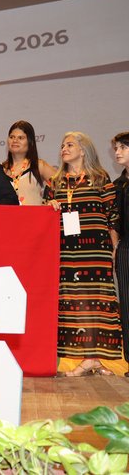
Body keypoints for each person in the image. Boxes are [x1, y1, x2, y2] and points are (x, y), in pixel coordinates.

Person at [46, 132, 121, 376]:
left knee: (97, 303)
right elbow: (44, 215)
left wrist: (113, 249)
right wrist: (49, 206)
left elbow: (112, 216)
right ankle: (89, 357)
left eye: (70, 144)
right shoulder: (56, 182)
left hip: (96, 251)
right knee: (75, 304)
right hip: (66, 252)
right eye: (62, 145)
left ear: (83, 150)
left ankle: (93, 358)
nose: (64, 148)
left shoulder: (100, 177)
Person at [2, 120, 56, 205]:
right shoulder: (1, 170)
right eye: (12, 137)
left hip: (34, 214)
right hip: (7, 214)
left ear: (30, 142)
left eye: (20, 138)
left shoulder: (39, 165)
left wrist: (50, 201)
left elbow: (63, 186)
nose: (15, 140)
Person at [111, 131, 129, 377]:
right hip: (125, 248)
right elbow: (113, 221)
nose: (117, 152)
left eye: (123, 148)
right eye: (116, 148)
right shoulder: (118, 185)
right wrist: (115, 246)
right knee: (126, 304)